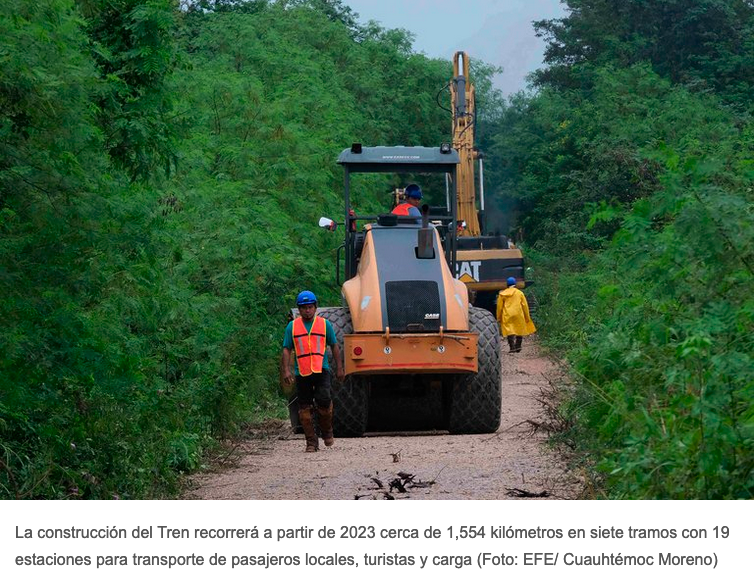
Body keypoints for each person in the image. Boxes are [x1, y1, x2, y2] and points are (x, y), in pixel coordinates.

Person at [281, 290, 344, 452]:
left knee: (324, 401)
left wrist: (339, 368)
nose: (307, 310)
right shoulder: (292, 327)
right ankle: (311, 442)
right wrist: (286, 370)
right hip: (301, 372)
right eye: (303, 308)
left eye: (310, 307)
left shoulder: (324, 324)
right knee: (304, 409)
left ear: (315, 308)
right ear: (299, 310)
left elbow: (334, 346)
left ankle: (327, 431)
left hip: (321, 370)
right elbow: (287, 349)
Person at [496, 277, 536, 353]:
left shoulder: (502, 294)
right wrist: (527, 317)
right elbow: (525, 306)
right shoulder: (520, 293)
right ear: (515, 284)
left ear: (507, 284)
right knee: (519, 329)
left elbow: (499, 307)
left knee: (509, 330)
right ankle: (518, 346)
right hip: (518, 314)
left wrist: (499, 317)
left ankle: (512, 347)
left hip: (507, 314)